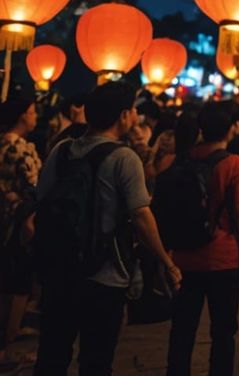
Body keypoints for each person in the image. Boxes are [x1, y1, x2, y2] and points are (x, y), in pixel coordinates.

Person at [35, 83, 181, 376]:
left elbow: (42, 198)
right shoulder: (124, 158)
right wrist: (166, 261)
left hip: (60, 269)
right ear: (123, 115)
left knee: (52, 355)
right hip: (105, 274)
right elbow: (141, 215)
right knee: (96, 360)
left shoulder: (62, 151)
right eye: (133, 111)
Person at [164, 101, 239, 376]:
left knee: (182, 329)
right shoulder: (235, 164)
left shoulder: (182, 158)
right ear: (230, 128)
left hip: (184, 257)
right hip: (222, 258)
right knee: (224, 331)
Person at [0, 93, 39, 372]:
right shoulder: (21, 149)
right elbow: (35, 188)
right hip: (18, 224)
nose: (36, 116)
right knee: (17, 283)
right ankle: (6, 345)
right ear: (23, 115)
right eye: (33, 110)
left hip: (6, 221)